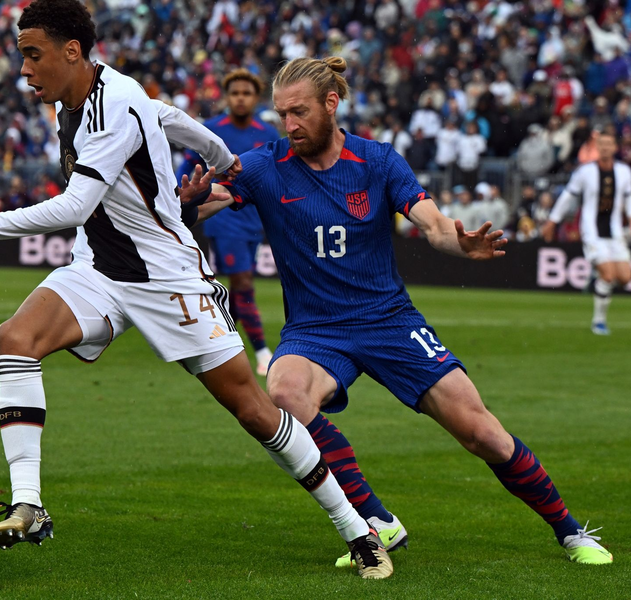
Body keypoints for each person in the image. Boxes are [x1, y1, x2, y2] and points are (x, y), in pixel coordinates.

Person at [0, 0, 392, 580]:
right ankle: (28, 503)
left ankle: (358, 531)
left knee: (254, 410)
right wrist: (220, 155)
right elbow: (167, 116)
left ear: (72, 52)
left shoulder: (112, 104)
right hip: (99, 268)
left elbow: (75, 205)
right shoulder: (79, 98)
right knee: (16, 337)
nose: (25, 70)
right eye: (22, 57)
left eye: (33, 55)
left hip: (168, 279)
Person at [201, 56, 613, 566]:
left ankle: (571, 531)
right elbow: (206, 199)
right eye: (281, 114)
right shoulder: (265, 165)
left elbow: (433, 223)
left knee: (481, 432)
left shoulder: (378, 161)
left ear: (332, 103)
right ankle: (376, 521)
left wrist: (459, 244)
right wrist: (189, 199)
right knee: (284, 391)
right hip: (315, 331)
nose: (289, 125)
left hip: (390, 321)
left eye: (299, 112)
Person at [176, 69, 280, 376]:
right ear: (227, 96)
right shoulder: (211, 128)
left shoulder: (268, 134)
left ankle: (221, 344)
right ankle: (262, 352)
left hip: (252, 219)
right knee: (243, 281)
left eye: (246, 93)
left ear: (256, 98)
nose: (240, 98)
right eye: (235, 93)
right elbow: (187, 166)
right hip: (221, 214)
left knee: (236, 285)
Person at [542, 130, 631, 335]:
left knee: (625, 278)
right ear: (597, 148)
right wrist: (552, 221)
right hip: (592, 231)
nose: (605, 148)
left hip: (615, 231)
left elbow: (628, 200)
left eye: (609, 144)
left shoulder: (624, 172)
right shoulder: (585, 171)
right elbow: (568, 196)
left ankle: (595, 277)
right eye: (602, 144)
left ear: (615, 148)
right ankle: (598, 322)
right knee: (608, 276)